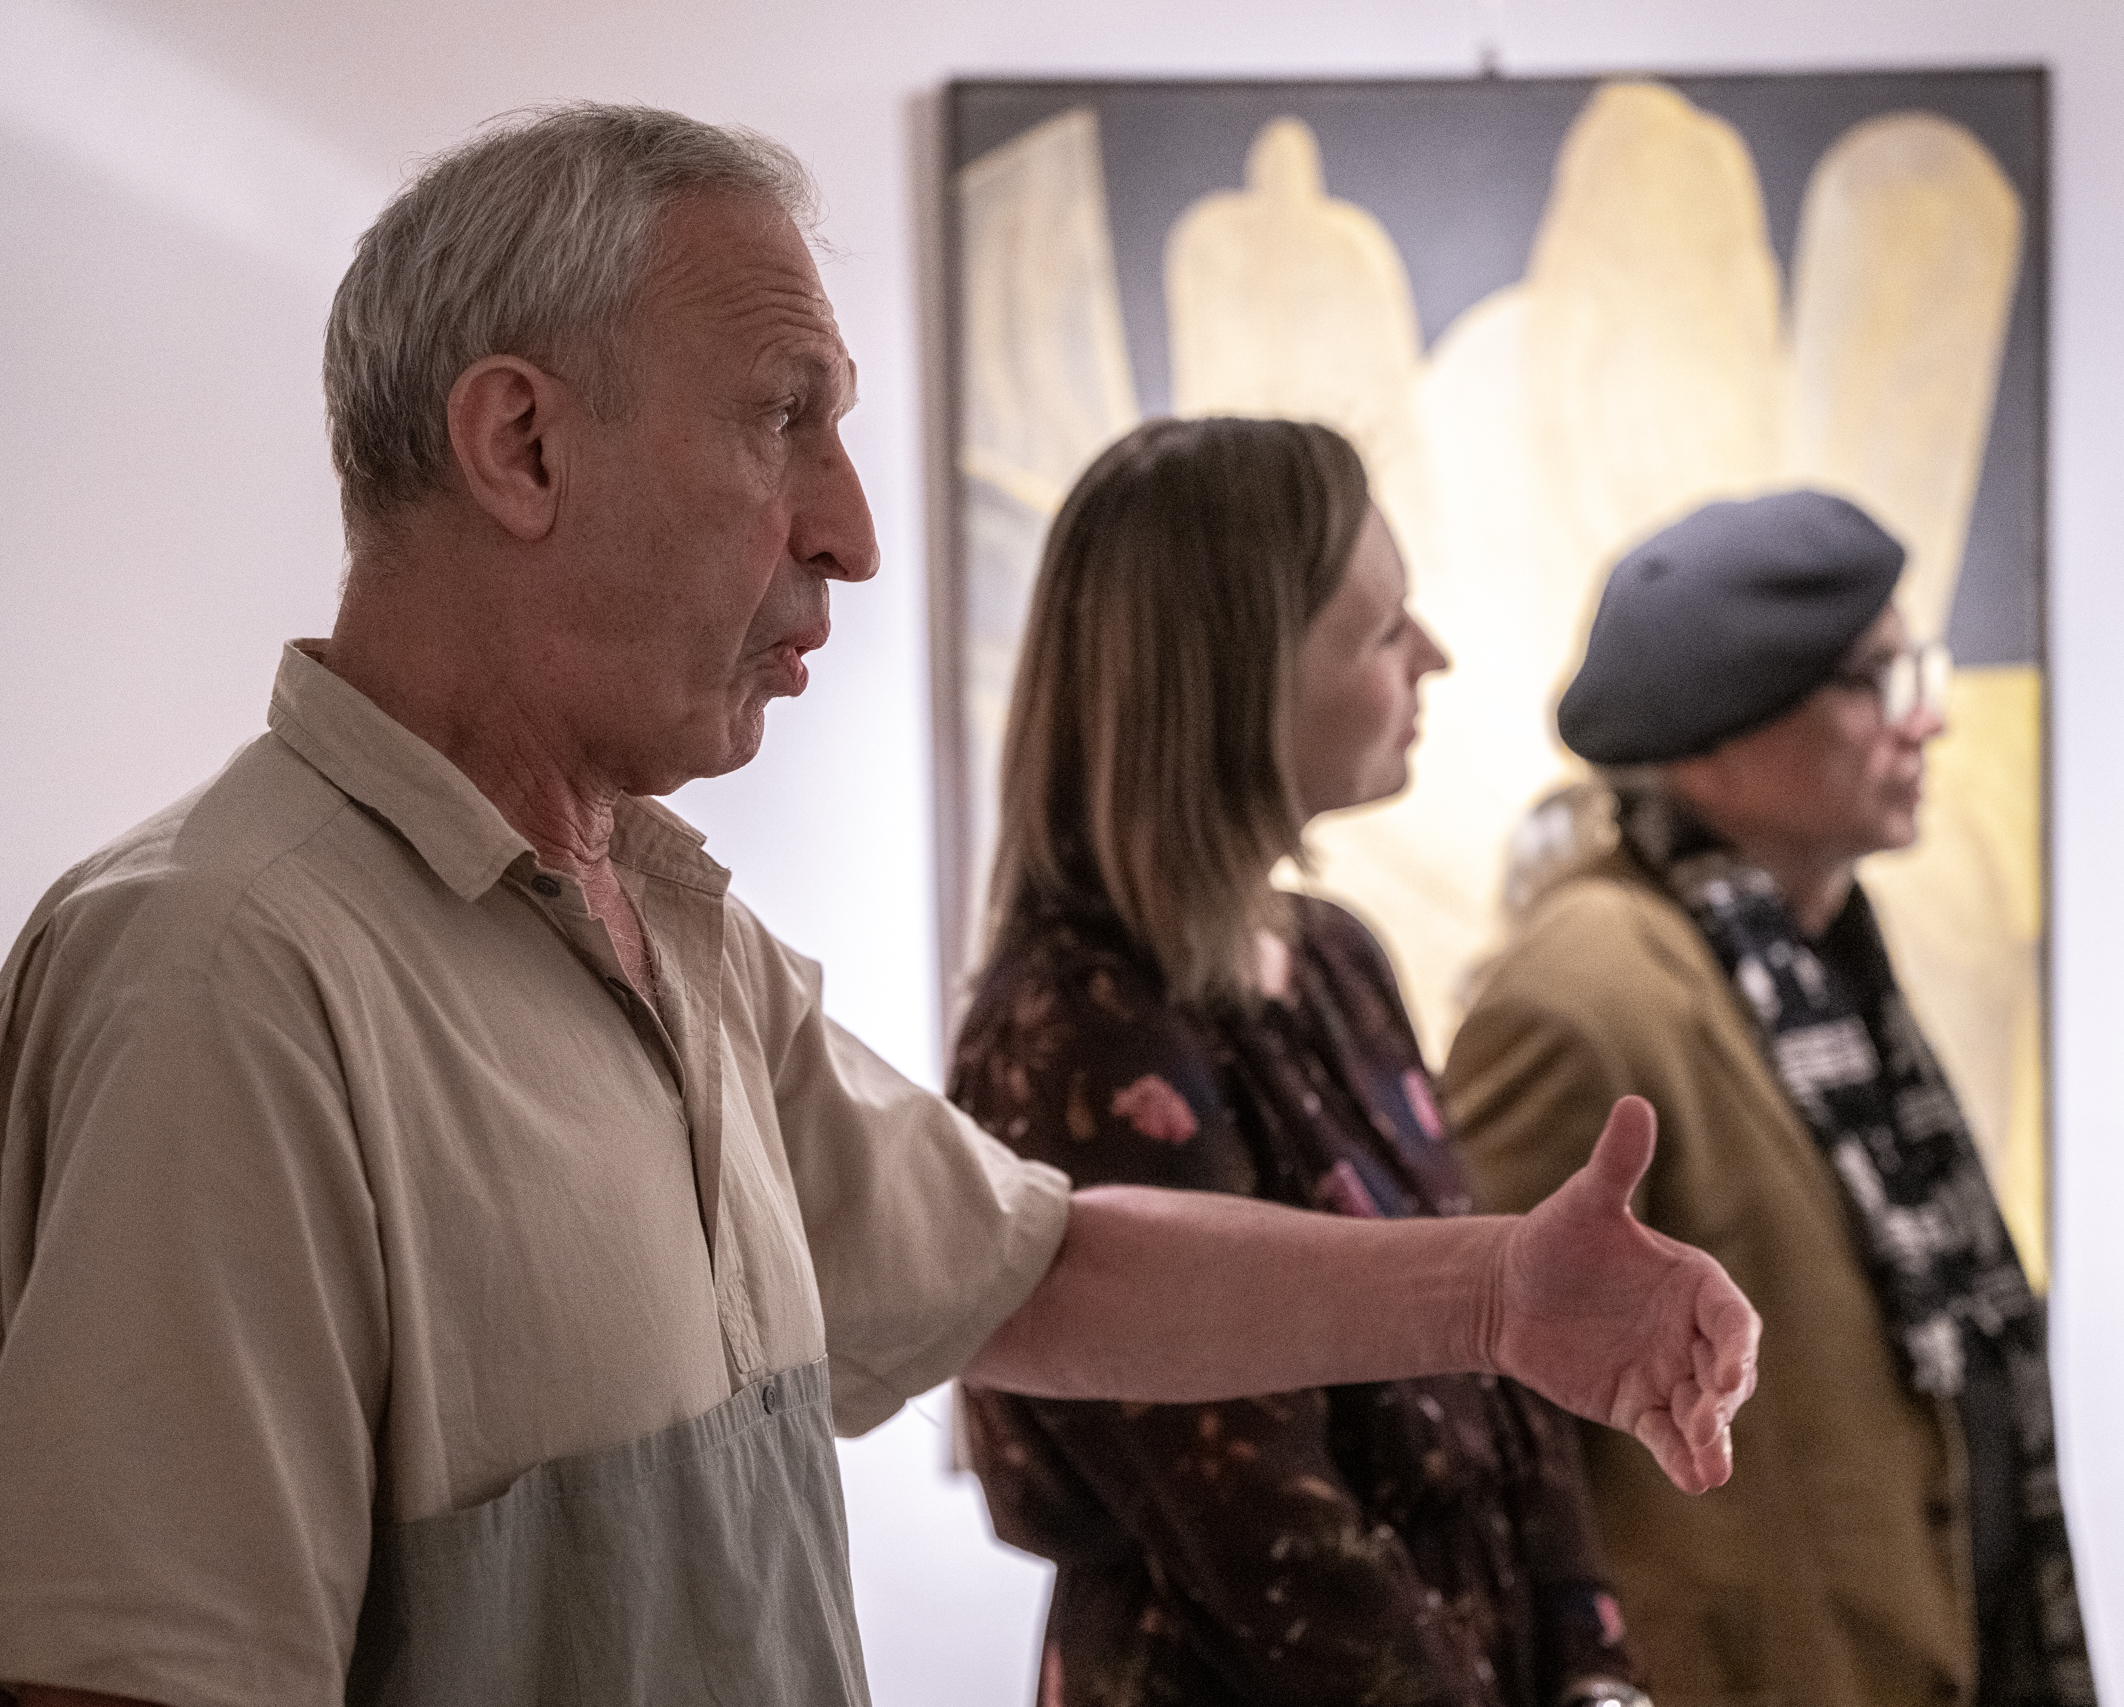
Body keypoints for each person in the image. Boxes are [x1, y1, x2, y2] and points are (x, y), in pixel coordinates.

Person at [0, 107, 1759, 1707]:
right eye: (786, 421)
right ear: (521, 443)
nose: (848, 529)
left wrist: (1495, 1291)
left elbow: (1031, 1271)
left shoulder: (675, 938)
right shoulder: (226, 976)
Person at [952, 416, 1649, 1707]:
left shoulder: (1333, 957)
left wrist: (1593, 1670)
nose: (1431, 655)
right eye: (1381, 632)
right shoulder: (1076, 1027)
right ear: (1237, 681)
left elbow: (1504, 1390)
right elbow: (1261, 1538)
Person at [1443, 491, 2096, 1707]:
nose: (1926, 719)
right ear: (1712, 740)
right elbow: (1473, 1419)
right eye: (1872, 683)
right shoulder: (1582, 999)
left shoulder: (1820, 969)